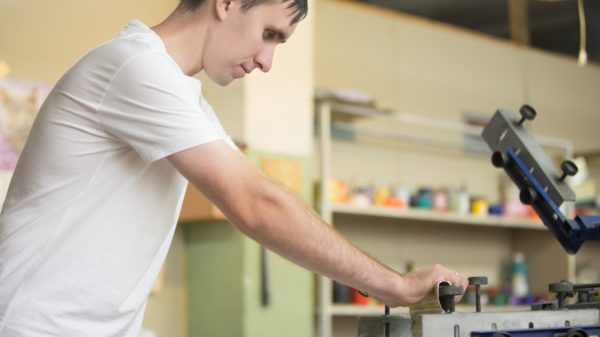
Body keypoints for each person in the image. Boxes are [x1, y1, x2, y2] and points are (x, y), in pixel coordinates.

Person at [0, 0, 468, 336]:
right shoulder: (134, 68)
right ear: (225, 3)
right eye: (269, 34)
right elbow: (258, 207)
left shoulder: (183, 96)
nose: (267, 62)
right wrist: (397, 285)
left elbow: (263, 193)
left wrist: (382, 281)